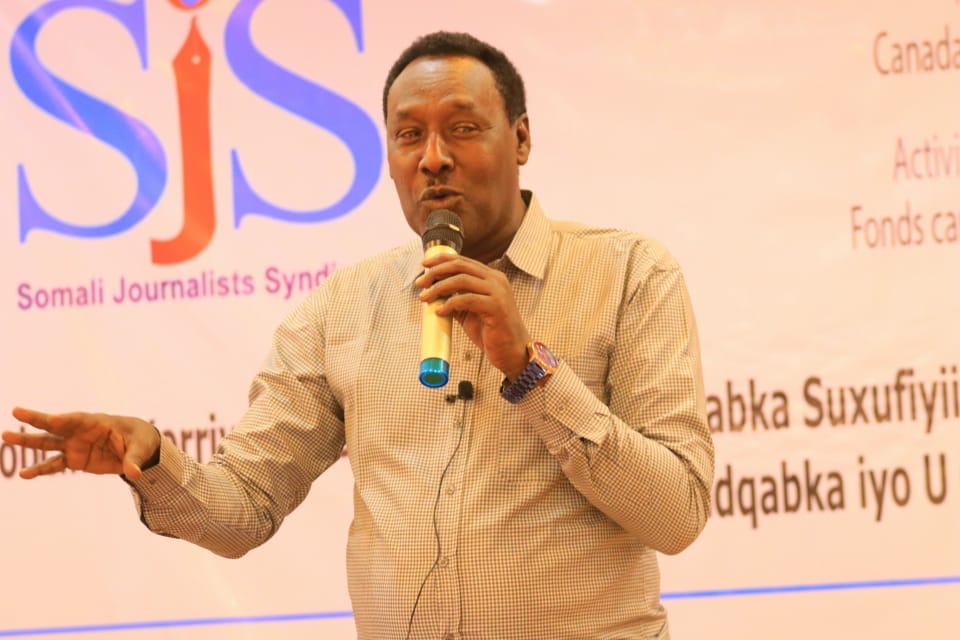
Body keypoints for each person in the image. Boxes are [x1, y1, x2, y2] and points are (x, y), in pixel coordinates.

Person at [4, 31, 714, 639]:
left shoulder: (628, 274)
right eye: (409, 135)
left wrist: (531, 372)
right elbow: (243, 511)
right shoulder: (342, 309)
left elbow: (677, 514)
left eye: (462, 128)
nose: (432, 157)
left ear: (521, 137)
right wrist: (151, 459)